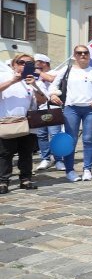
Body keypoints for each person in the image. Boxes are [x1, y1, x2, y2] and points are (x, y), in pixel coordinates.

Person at [49, 45, 92, 182]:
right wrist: (52, 95)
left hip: (91, 109)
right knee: (71, 140)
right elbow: (53, 86)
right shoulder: (67, 70)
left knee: (88, 139)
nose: (82, 55)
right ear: (74, 55)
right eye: (79, 53)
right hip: (72, 109)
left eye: (85, 52)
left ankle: (87, 169)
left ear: (89, 55)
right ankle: (70, 170)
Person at [0, 54, 46, 193]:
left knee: (26, 153)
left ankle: (25, 179)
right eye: (21, 62)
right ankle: (3, 181)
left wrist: (34, 85)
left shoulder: (34, 80)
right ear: (14, 64)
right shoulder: (4, 76)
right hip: (8, 122)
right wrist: (14, 80)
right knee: (5, 154)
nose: (25, 66)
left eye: (29, 63)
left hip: (28, 123)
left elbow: (42, 100)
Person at [32, 54, 65, 171]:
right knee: (41, 135)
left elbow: (52, 79)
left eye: (37, 62)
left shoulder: (55, 73)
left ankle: (58, 159)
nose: (35, 64)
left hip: (53, 108)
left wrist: (38, 72)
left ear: (44, 63)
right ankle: (45, 158)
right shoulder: (35, 76)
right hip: (39, 108)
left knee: (55, 134)